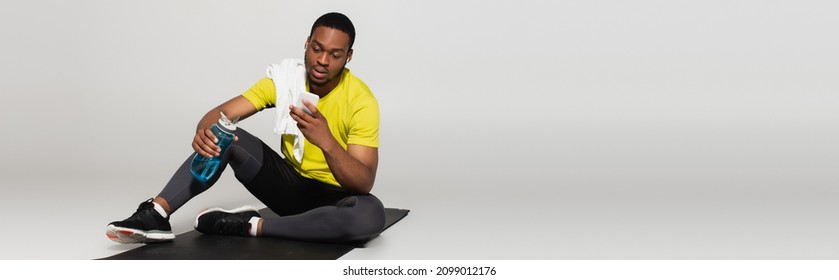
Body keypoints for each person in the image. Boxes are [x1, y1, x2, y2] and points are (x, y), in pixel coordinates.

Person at [106, 12, 385, 243]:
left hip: (335, 200)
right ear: (306, 43)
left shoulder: (361, 101)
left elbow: (362, 183)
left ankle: (248, 225)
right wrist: (205, 130)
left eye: (335, 55)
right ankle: (156, 213)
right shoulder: (285, 80)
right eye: (317, 49)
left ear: (348, 57)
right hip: (289, 190)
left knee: (371, 215)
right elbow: (221, 114)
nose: (323, 61)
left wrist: (327, 142)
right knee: (228, 133)